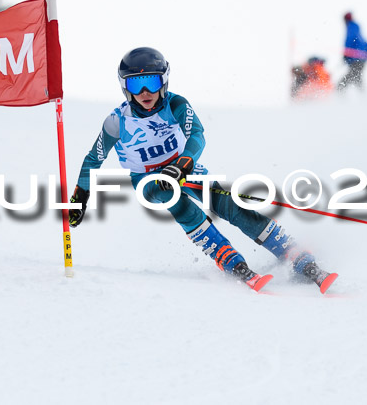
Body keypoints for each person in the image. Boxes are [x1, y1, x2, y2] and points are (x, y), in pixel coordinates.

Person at [69, 47, 338, 293]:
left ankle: (295, 254)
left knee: (229, 205)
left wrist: (183, 164)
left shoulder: (176, 104)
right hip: (147, 178)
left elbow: (196, 134)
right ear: (124, 87)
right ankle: (228, 258)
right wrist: (81, 195)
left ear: (164, 81)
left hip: (183, 166)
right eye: (135, 85)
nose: (145, 93)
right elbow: (94, 158)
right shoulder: (117, 122)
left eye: (151, 82)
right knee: (174, 199)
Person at [337, 12, 367, 91]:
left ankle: (339, 97)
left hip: (357, 59)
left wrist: (346, 54)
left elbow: (351, 41)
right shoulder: (355, 28)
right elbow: (363, 42)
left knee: (344, 82)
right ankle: (364, 99)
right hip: (360, 59)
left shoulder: (351, 28)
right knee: (357, 79)